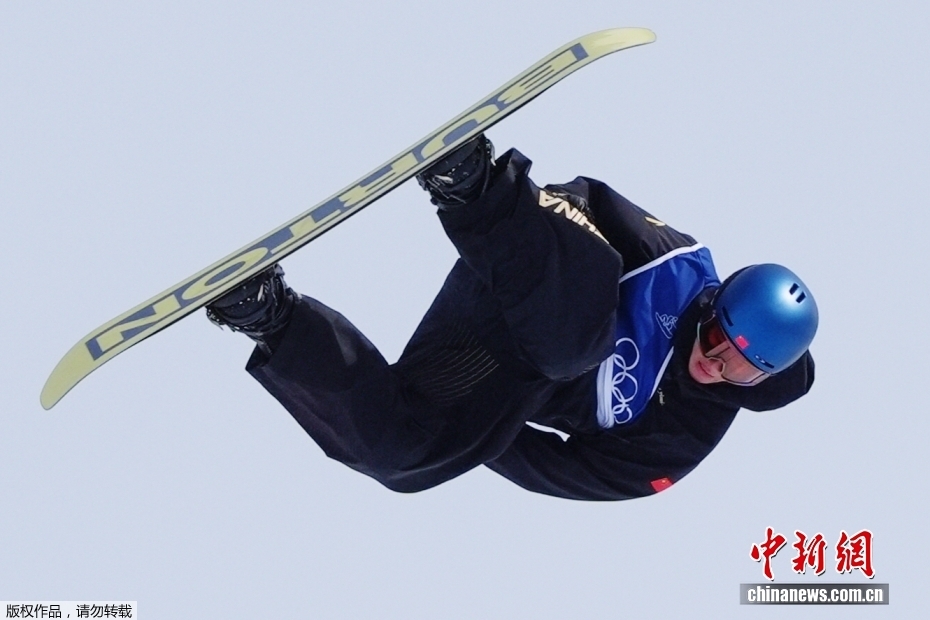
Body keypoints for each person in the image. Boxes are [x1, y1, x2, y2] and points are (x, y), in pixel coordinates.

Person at [205, 135, 817, 500]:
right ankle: (466, 181)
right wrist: (504, 205)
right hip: (527, 276)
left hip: (496, 365)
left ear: (759, 381)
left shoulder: (678, 444)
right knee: (575, 343)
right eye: (716, 338)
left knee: (403, 458)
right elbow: (580, 199)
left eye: (740, 370)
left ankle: (269, 316)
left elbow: (557, 469)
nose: (714, 363)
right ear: (715, 306)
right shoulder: (673, 266)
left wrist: (472, 434)